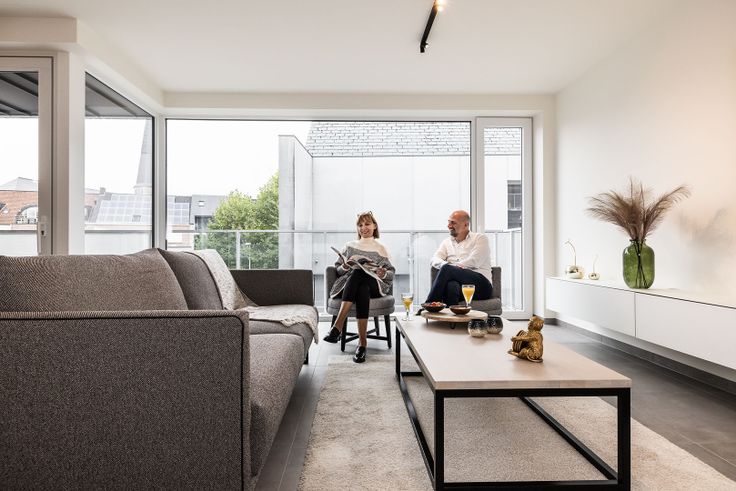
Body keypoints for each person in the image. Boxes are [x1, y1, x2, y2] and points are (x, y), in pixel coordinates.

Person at [323, 211, 395, 363]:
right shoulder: (349, 246)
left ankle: (337, 327)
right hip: (353, 285)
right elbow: (338, 270)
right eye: (360, 225)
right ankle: (362, 344)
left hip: (375, 285)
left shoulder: (381, 248)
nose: (363, 228)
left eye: (367, 224)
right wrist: (345, 266)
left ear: (374, 226)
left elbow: (391, 273)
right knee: (360, 282)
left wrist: (383, 273)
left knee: (360, 273)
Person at [424, 210, 493, 307]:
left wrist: (450, 268)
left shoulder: (480, 238)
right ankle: (451, 316)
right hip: (459, 286)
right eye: (448, 222)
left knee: (447, 268)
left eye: (453, 223)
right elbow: (434, 259)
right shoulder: (446, 242)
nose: (449, 226)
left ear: (466, 225)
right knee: (451, 286)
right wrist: (448, 267)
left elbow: (474, 261)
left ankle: (430, 305)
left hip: (481, 286)